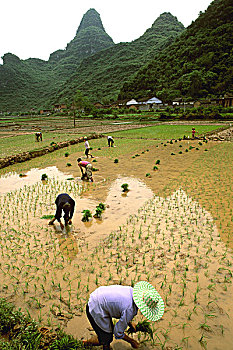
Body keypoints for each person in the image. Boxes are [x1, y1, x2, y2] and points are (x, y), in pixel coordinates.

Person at [83, 281, 164, 350]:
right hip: (95, 308)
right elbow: (118, 332)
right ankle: (85, 344)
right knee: (107, 338)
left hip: (98, 295)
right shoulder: (130, 310)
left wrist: (129, 323)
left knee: (106, 333)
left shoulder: (130, 290)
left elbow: (120, 307)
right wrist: (132, 341)